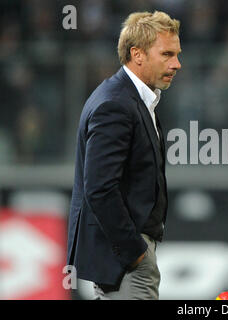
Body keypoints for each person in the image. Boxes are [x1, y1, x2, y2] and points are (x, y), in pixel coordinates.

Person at [66, 11, 181, 300]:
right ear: (137, 54)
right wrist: (135, 253)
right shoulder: (115, 104)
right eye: (167, 54)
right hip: (125, 263)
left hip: (126, 258)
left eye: (176, 54)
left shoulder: (134, 99)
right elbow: (100, 188)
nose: (176, 64)